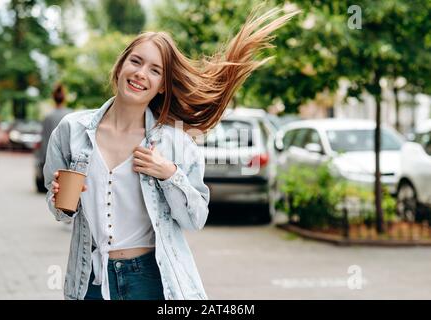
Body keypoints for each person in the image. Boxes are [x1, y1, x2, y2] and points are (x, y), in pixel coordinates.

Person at [43, 7, 299, 300]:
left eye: (155, 70)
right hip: (89, 279)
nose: (141, 74)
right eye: (135, 62)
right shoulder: (71, 130)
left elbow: (196, 218)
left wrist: (169, 174)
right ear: (120, 65)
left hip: (150, 279)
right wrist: (62, 200)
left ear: (163, 85)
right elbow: (60, 213)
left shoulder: (175, 143)